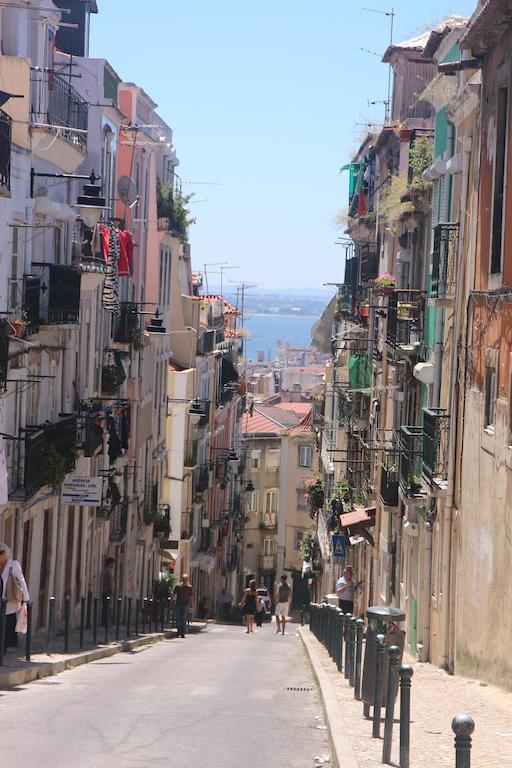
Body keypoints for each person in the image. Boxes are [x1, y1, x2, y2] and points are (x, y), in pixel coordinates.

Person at [0, 543, 29, 652]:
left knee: (7, 625)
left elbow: (21, 581)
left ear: (5, 553)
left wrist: (26, 598)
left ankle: (3, 650)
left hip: (10, 601)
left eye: (1, 553)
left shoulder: (13, 565)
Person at [173, 574, 193, 638]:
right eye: (184, 579)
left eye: (186, 579)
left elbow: (191, 597)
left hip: (185, 605)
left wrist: (191, 606)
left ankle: (183, 633)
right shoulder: (178, 586)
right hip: (178, 604)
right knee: (178, 618)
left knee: (184, 618)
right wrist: (173, 601)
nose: (185, 581)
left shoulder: (189, 587)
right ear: (182, 579)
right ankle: (179, 631)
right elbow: (174, 595)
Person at [101, 556, 115, 627]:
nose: (113, 566)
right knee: (108, 607)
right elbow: (111, 580)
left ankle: (104, 622)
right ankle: (107, 623)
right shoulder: (109, 571)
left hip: (104, 590)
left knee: (105, 607)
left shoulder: (104, 570)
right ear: (109, 564)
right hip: (108, 591)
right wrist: (112, 590)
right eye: (112, 564)